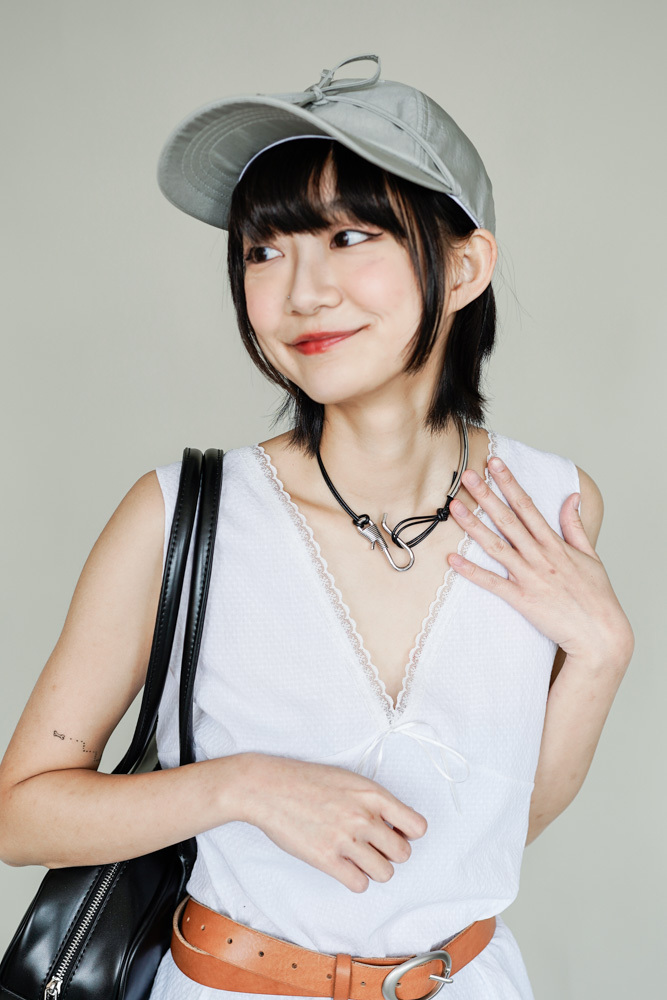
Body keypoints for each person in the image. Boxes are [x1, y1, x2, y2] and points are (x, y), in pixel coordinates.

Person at [0, 53, 634, 1000]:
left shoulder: (550, 504)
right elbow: (21, 815)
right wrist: (240, 786)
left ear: (464, 267)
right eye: (264, 251)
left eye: (349, 237)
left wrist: (602, 657)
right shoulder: (181, 513)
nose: (301, 293)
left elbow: (493, 831)